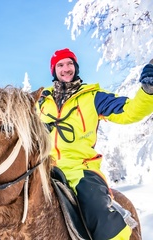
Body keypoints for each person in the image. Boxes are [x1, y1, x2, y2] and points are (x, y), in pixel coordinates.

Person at [37, 48, 153, 239]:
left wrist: (148, 92)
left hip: (80, 169)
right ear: (54, 70)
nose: (66, 68)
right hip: (42, 168)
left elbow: (129, 111)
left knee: (96, 206)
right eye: (60, 65)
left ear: (75, 67)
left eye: (70, 63)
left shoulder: (93, 97)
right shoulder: (41, 102)